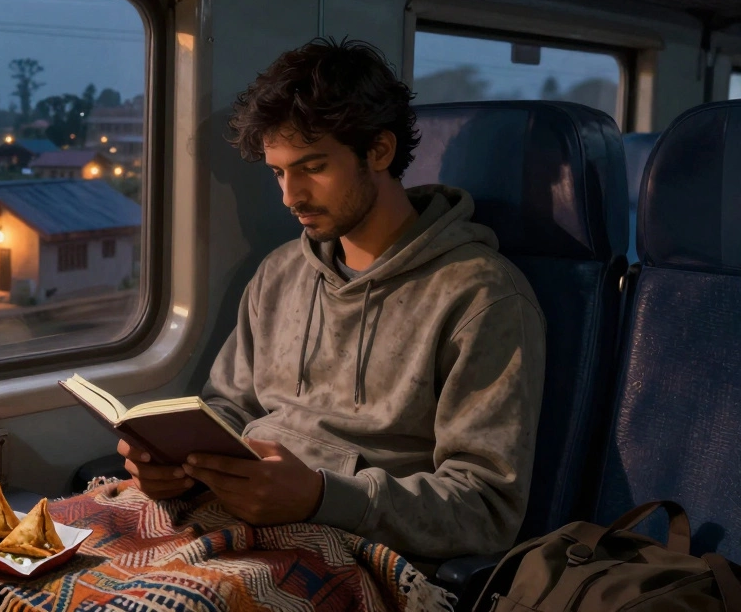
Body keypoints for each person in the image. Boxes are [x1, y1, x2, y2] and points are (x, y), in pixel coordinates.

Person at [116, 38, 546, 561]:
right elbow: (231, 407)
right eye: (278, 172)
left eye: (312, 167)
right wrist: (176, 464)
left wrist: (324, 497)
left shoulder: (482, 297)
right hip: (229, 510)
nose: (289, 196)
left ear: (379, 151)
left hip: (352, 542)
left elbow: (485, 509)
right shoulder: (279, 272)